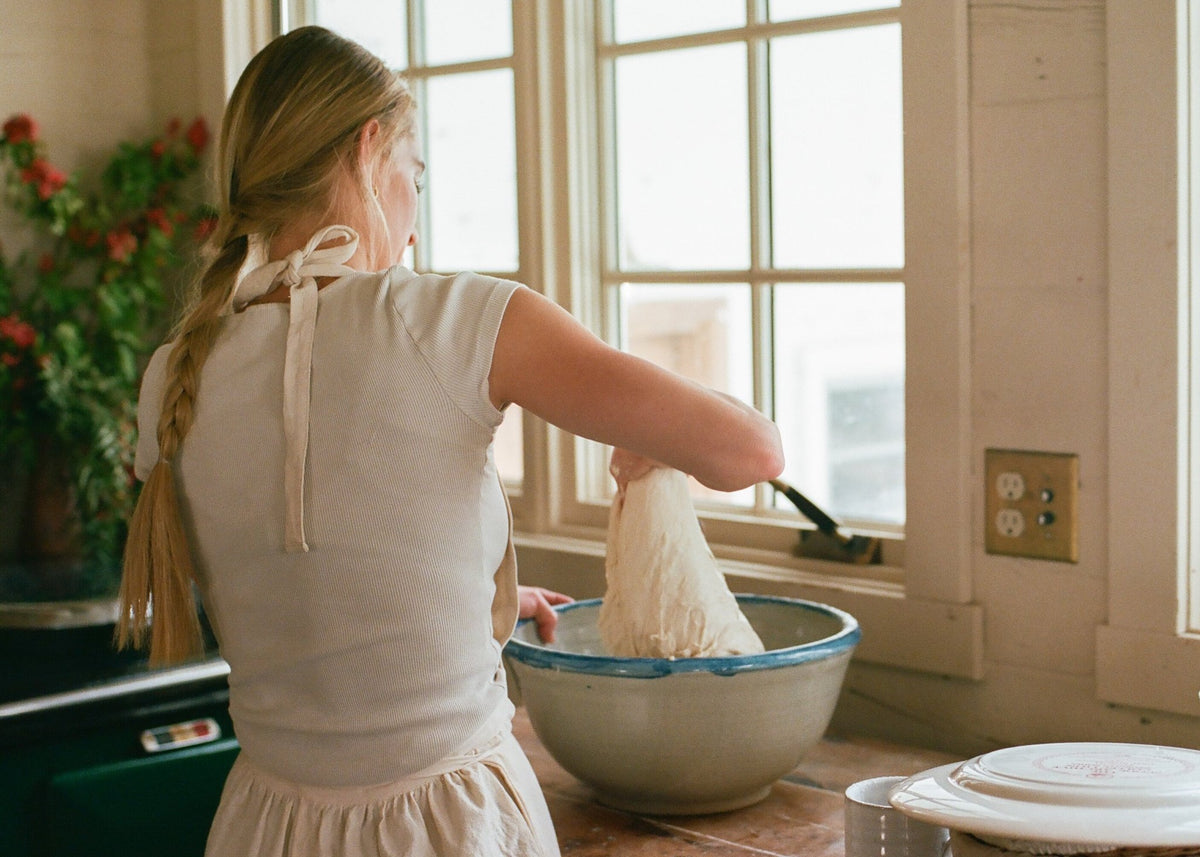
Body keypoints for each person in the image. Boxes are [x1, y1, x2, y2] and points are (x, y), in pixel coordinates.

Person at [116, 25, 783, 857]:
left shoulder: (171, 374)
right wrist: (656, 440)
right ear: (369, 150)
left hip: (266, 826)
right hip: (447, 826)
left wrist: (465, 599)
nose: (416, 225)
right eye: (415, 179)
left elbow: (300, 574)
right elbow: (750, 452)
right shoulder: (453, 319)